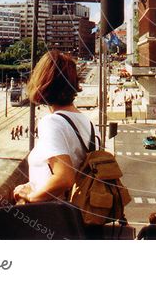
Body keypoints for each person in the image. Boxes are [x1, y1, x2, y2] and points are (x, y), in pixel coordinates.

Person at [12, 50, 93, 206]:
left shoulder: (52, 122)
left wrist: (31, 197)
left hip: (53, 217)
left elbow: (64, 177)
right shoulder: (87, 122)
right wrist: (33, 185)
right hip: (77, 216)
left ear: (43, 82)